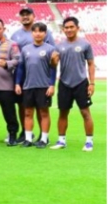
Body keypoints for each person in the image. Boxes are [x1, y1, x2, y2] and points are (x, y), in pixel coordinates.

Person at [51, 17, 95, 151]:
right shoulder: (59, 45)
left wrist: (92, 83)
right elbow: (54, 65)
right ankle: (61, 141)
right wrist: (53, 60)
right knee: (63, 113)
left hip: (81, 83)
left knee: (85, 112)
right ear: (63, 29)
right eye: (66, 28)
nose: (69, 30)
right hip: (64, 83)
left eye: (71, 27)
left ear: (77, 28)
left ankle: (89, 142)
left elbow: (91, 64)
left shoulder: (85, 44)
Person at [15, 22, 59, 148]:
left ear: (45, 34)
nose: (38, 34)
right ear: (32, 33)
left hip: (43, 86)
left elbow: (53, 69)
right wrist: (18, 83)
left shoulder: (50, 49)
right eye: (35, 31)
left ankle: (44, 139)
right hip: (28, 86)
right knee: (28, 112)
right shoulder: (25, 49)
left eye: (41, 31)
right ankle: (28, 139)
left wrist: (51, 85)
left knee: (44, 113)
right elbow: (21, 68)